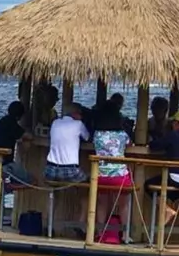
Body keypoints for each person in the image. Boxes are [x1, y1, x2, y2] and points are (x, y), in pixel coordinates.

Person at [93, 99, 132, 242]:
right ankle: (126, 235)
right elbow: (129, 144)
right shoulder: (122, 135)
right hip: (119, 175)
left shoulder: (97, 134)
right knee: (124, 204)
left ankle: (99, 233)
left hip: (101, 174)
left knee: (102, 203)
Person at [0, 101, 32, 185]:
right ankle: (10, 187)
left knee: (17, 177)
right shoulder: (12, 123)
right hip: (4, 165)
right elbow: (28, 136)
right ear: (20, 115)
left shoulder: (2, 121)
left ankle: (7, 186)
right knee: (31, 180)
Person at [45, 102, 89, 182]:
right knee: (88, 180)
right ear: (75, 114)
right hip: (70, 170)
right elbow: (87, 137)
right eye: (81, 114)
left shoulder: (55, 122)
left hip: (50, 170)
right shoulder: (79, 124)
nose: (82, 117)